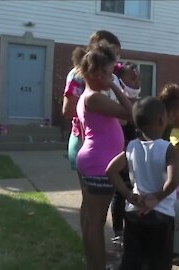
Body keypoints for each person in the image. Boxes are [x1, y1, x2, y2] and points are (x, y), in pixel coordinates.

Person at [62, 30, 123, 239]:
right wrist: (99, 112)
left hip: (101, 144)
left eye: (116, 53)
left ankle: (93, 249)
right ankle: (92, 249)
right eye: (107, 50)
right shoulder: (79, 75)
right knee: (91, 207)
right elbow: (68, 109)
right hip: (85, 141)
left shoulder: (110, 77)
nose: (113, 57)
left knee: (93, 207)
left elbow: (123, 114)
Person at [106, 96, 179, 270]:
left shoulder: (131, 146)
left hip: (135, 213)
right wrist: (157, 197)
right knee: (159, 262)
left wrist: (128, 195)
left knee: (132, 259)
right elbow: (174, 180)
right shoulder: (168, 148)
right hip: (162, 215)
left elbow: (111, 170)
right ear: (162, 120)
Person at [75, 44, 132, 270]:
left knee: (91, 221)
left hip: (91, 160)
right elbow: (130, 113)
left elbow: (119, 122)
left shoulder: (87, 97)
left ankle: (93, 264)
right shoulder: (95, 98)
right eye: (109, 73)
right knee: (97, 223)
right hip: (100, 164)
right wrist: (117, 89)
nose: (112, 77)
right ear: (97, 74)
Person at [110, 61, 142, 248]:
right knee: (121, 192)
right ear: (119, 80)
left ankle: (131, 229)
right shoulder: (116, 100)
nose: (137, 81)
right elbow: (122, 122)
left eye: (138, 77)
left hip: (134, 151)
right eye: (132, 77)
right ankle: (118, 232)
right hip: (120, 150)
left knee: (134, 188)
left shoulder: (136, 101)